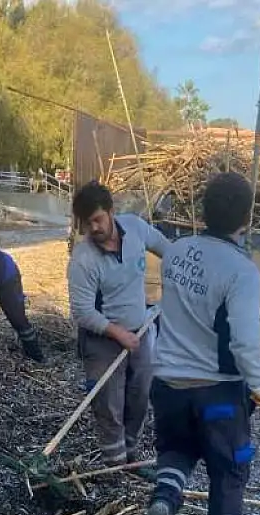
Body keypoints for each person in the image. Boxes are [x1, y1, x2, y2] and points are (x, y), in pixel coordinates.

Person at [135, 172, 260, 515]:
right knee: (230, 465)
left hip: (167, 384)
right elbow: (246, 342)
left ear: (201, 210)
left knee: (178, 452)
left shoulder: (177, 253)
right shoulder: (241, 270)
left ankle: (163, 501)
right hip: (216, 391)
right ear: (246, 219)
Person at [67, 181, 169, 471]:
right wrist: (117, 333)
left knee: (139, 395)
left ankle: (131, 455)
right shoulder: (83, 259)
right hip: (102, 339)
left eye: (97, 219)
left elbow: (165, 248)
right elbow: (82, 311)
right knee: (109, 403)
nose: (94, 228)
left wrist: (183, 271)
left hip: (140, 331)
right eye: (87, 224)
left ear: (111, 212)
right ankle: (115, 465)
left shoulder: (135, 228)